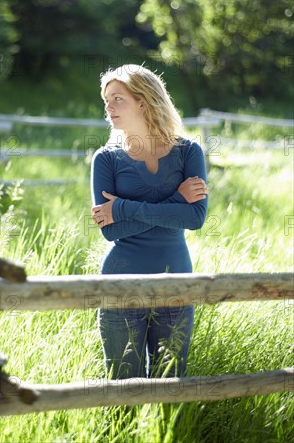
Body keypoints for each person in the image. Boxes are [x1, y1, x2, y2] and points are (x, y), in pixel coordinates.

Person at [90, 64, 208, 380]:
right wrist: (176, 201)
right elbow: (111, 230)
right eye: (106, 101)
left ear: (143, 100)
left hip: (176, 283)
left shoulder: (189, 152)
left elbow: (195, 218)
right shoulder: (105, 159)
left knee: (169, 385)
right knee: (122, 388)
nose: (109, 108)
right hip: (119, 285)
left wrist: (125, 207)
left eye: (117, 99)